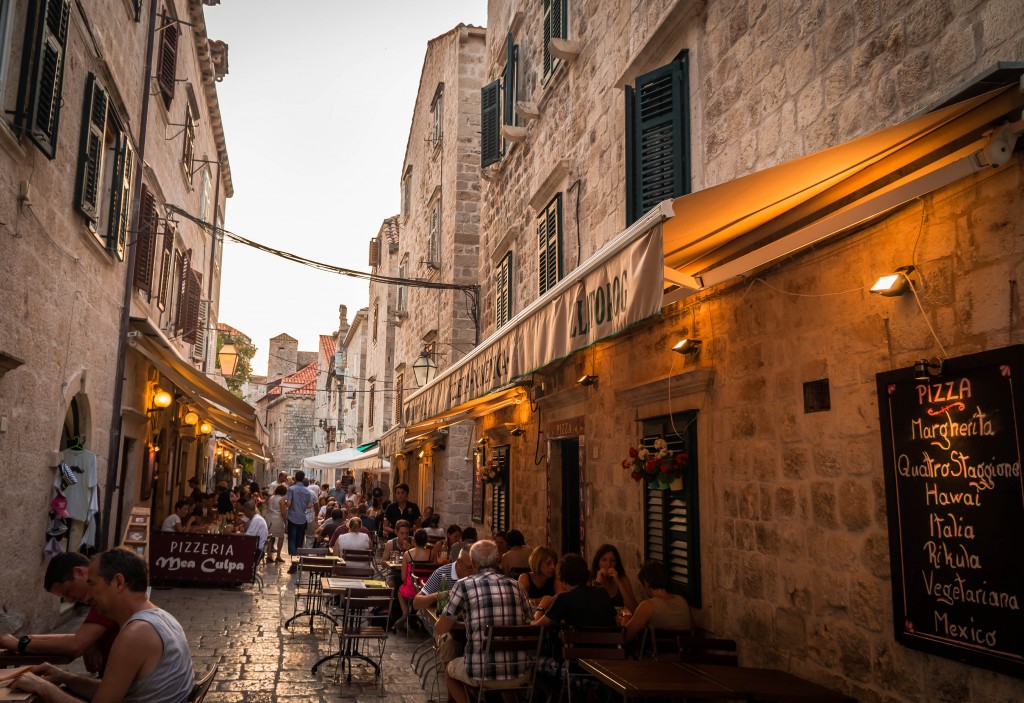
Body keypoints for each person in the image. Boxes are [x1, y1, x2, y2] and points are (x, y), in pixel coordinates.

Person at [11, 548, 193, 703]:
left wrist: (42, 686)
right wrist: (63, 676)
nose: (88, 597)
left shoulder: (137, 633)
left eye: (93, 584)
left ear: (118, 583)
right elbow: (112, 690)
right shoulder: (163, 618)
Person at [436, 541, 533, 703]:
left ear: (472, 563)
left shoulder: (463, 585)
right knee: (502, 677)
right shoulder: (517, 586)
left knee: (449, 671)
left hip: (480, 671)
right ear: (498, 561)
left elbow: (441, 628)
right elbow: (528, 624)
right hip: (520, 670)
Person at [0, 553, 118, 674]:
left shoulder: (105, 597)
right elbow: (79, 639)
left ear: (79, 572)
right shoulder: (98, 601)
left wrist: (20, 645)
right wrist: (26, 639)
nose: (71, 600)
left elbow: (76, 645)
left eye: (67, 592)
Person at [532, 554, 616, 629]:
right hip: (608, 645)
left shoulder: (563, 598)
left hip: (579, 645)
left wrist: (541, 607)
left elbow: (536, 627)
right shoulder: (602, 592)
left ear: (563, 580)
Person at [622, 561, 693, 641]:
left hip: (657, 652)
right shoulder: (683, 601)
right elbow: (693, 630)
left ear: (646, 583)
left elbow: (624, 637)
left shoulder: (647, 606)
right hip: (683, 652)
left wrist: (626, 614)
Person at [590, 544, 638, 611]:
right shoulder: (590, 579)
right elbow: (589, 608)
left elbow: (634, 609)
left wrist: (618, 583)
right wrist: (598, 583)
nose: (608, 564)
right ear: (598, 562)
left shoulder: (622, 578)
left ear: (616, 563)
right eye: (604, 560)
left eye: (612, 561)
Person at [286, 470, 315, 572]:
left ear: (295, 477)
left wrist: (287, 503)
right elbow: (310, 505)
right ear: (303, 478)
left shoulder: (291, 489)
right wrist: (302, 505)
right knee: (300, 541)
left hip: (292, 517)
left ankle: (293, 563)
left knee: (292, 540)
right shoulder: (308, 491)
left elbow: (288, 503)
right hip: (302, 518)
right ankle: (298, 561)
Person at [265, 484, 288, 562]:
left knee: (270, 538)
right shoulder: (281, 499)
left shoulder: (271, 498)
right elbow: (283, 512)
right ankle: (278, 555)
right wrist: (285, 522)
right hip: (277, 519)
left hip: (269, 518)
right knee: (281, 537)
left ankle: (269, 555)